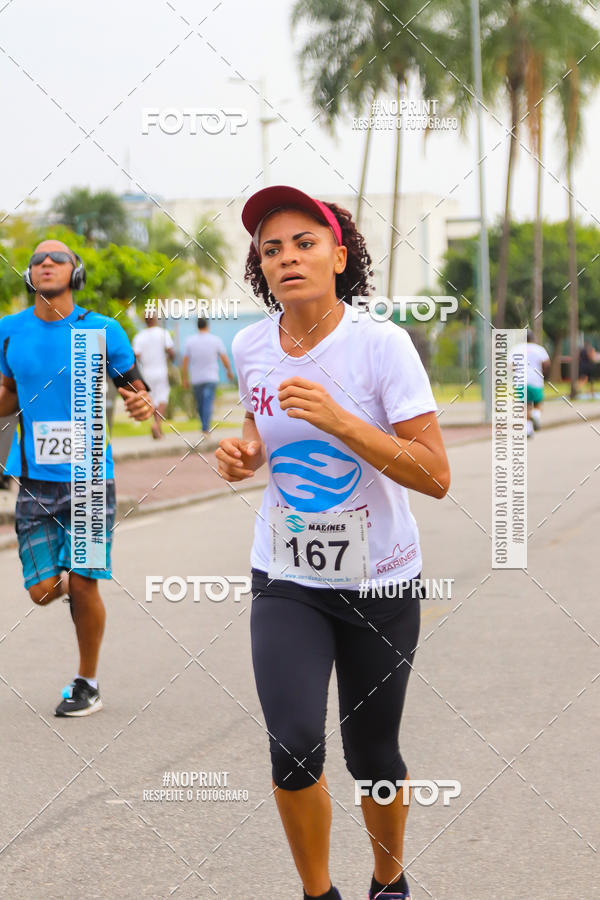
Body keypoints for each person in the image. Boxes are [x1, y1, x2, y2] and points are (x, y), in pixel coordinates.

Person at [216, 186, 450, 900]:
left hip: (381, 581)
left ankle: (388, 880)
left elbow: (435, 474)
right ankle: (319, 894)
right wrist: (246, 454)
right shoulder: (250, 346)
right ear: (261, 266)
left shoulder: (381, 346)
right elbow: (262, 427)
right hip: (287, 573)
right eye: (271, 248)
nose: (287, 257)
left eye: (304, 243)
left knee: (372, 754)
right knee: (293, 743)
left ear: (338, 256)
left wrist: (345, 422)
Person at [0, 240, 154, 716]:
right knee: (43, 591)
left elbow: (135, 387)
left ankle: (86, 681)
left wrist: (141, 402)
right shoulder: (8, 330)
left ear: (76, 272)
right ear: (30, 275)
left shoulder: (103, 331)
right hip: (34, 477)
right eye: (37, 259)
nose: (45, 263)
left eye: (57, 258)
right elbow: (7, 394)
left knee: (85, 583)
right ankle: (74, 580)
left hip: (90, 476)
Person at [182, 317, 234, 436]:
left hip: (196, 379)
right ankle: (205, 427)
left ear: (197, 326)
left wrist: (184, 378)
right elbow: (224, 358)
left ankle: (205, 427)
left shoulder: (190, 341)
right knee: (206, 402)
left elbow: (185, 361)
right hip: (211, 377)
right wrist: (229, 371)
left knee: (201, 403)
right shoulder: (215, 340)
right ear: (207, 326)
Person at [132, 310, 175, 439]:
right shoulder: (163, 333)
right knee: (162, 399)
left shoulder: (139, 336)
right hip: (161, 371)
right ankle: (157, 424)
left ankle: (158, 428)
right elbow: (171, 352)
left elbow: (136, 355)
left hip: (146, 373)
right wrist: (170, 357)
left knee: (151, 401)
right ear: (155, 319)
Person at [510, 330, 550, 437]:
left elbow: (511, 366)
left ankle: (528, 430)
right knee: (538, 403)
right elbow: (546, 363)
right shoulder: (539, 349)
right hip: (536, 379)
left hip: (520, 381)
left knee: (525, 405)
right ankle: (536, 416)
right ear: (532, 338)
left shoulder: (516, 349)